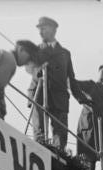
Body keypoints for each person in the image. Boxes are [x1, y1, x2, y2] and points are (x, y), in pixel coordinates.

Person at [26, 16, 82, 149]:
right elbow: (30, 68)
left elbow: (71, 78)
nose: (40, 33)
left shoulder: (65, 54)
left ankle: (58, 161)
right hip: (38, 94)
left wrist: (81, 98)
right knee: (39, 133)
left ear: (53, 30)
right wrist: (38, 70)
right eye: (39, 30)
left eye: (43, 29)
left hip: (59, 97)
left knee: (60, 135)